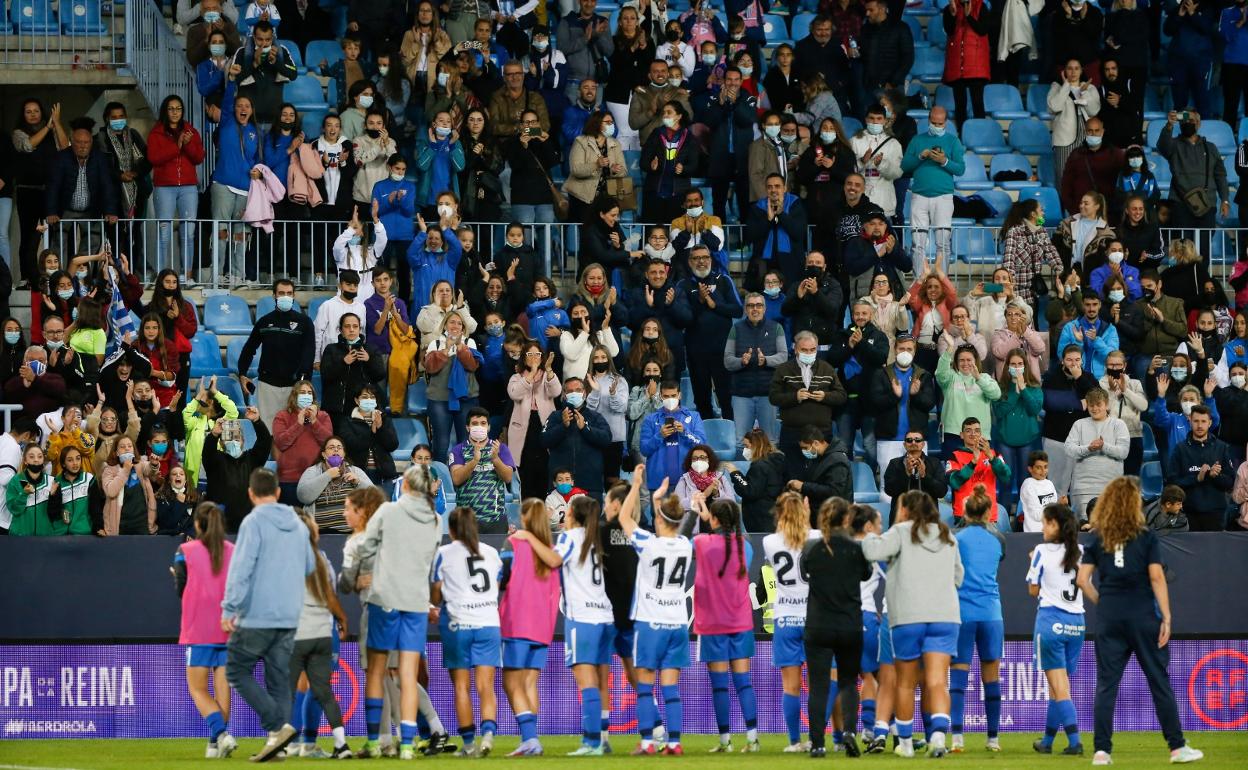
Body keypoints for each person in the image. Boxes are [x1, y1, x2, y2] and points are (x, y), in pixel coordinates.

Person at [1076, 477, 1205, 765]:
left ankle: (1101, 751)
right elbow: (1157, 577)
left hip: (1110, 618)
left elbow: (1082, 580)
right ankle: (1177, 747)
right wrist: (1167, 617)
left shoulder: (1098, 537)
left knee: (1106, 685)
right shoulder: (1146, 536)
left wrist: (1103, 602)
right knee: (1159, 681)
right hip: (1143, 615)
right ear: (1135, 503)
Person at [220, 468, 315, 762]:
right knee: (278, 681)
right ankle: (278, 744)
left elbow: (241, 569)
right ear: (277, 493)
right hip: (289, 614)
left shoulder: (253, 523)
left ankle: (278, 725)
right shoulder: (299, 526)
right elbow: (310, 566)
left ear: (251, 494)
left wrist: (229, 608)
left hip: (258, 615)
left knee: (236, 670)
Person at [862, 489, 963, 758]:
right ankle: (939, 738)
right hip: (944, 616)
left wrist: (870, 531)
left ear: (905, 510)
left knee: (905, 683)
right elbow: (958, 577)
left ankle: (905, 743)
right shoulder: (947, 535)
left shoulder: (901, 531)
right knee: (937, 681)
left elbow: (872, 550)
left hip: (908, 617)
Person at [352, 464, 443, 760]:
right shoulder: (435, 519)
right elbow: (429, 560)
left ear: (404, 485)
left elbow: (365, 548)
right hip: (416, 601)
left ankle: (375, 742)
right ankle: (406, 745)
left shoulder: (388, 512)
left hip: (385, 598)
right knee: (406, 673)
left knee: (377, 672)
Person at [615, 468, 691, 755]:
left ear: (659, 519)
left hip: (650, 622)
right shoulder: (684, 545)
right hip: (677, 623)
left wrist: (636, 486)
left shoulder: (648, 544)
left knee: (645, 684)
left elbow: (624, 519)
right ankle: (674, 742)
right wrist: (659, 502)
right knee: (671, 687)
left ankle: (647, 742)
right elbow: (672, 524)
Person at [431, 506, 503, 757]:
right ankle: (488, 736)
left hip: (457, 624)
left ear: (450, 530)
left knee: (461, 687)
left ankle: (469, 745)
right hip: (488, 623)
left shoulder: (443, 553)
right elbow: (497, 584)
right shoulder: (492, 553)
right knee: (486, 685)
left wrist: (435, 603)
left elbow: (436, 590)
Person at [495, 499, 563, 757]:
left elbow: (502, 578)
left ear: (525, 518)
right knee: (530, 682)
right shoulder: (551, 549)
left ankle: (530, 739)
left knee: (512, 683)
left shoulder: (513, 543)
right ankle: (530, 740)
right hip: (543, 625)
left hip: (516, 621)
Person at [174, 504, 238, 758]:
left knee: (198, 688)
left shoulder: (185, 551)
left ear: (198, 525)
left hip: (198, 630)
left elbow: (180, 589)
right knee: (223, 689)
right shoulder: (233, 551)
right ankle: (215, 743)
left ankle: (220, 734)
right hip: (227, 628)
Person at [948, 485, 1006, 752]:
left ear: (965, 511)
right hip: (991, 614)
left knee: (959, 675)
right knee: (991, 676)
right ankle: (993, 739)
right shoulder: (999, 540)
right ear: (988, 512)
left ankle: (957, 737)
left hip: (963, 613)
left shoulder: (955, 538)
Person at [1027, 503, 1086, 755]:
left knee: (1060, 688)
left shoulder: (1041, 550)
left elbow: (1032, 590)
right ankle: (1048, 741)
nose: (1042, 527)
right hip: (1077, 624)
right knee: (1058, 686)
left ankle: (1075, 742)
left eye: (1045, 522)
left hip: (1051, 621)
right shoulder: (1081, 551)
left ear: (1055, 525)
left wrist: (1034, 563)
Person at [769, 331, 846, 477]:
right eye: (804, 350)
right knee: (790, 475)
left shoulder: (827, 368)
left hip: (821, 433)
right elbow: (774, 397)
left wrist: (825, 396)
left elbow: (841, 396)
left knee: (821, 475)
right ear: (796, 349)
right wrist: (794, 396)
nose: (809, 353)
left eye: (812, 349)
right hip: (792, 433)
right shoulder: (783, 369)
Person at [900, 105, 964, 271]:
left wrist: (944, 161)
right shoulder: (917, 140)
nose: (937, 126)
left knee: (943, 243)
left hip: (943, 197)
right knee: (917, 243)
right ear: (928, 120)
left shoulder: (953, 141)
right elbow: (905, 165)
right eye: (934, 122)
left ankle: (942, 283)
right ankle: (919, 282)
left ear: (946, 122)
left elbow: (960, 169)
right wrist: (921, 156)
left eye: (940, 123)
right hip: (919, 196)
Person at [724, 293, 786, 443]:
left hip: (768, 394)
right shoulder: (736, 329)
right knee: (741, 441)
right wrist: (741, 362)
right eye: (751, 306)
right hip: (741, 395)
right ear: (745, 309)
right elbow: (727, 360)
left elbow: (784, 357)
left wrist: (766, 360)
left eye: (759, 305)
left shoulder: (776, 328)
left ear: (764, 308)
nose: (755, 309)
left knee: (769, 441)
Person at [1157, 109, 1231, 232]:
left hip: (1206, 205)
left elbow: (1220, 176)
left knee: (1204, 248)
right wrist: (1169, 125)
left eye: (1191, 120)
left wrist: (1225, 200)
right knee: (1183, 248)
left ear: (1198, 123)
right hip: (1180, 205)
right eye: (1184, 120)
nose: (1187, 123)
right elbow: (1162, 146)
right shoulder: (1174, 145)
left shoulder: (1211, 148)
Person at [1064, 388, 1131, 521]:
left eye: (1098, 404)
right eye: (1091, 405)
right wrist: (1088, 448)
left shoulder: (1119, 424)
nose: (1094, 408)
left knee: (1111, 529)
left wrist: (1103, 446)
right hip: (1083, 489)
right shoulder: (1079, 424)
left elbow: (1123, 452)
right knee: (1084, 528)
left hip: (1112, 488)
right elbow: (1069, 449)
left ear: (1106, 405)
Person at [541, 377, 612, 500]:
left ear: (584, 393)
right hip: (560, 487)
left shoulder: (595, 417)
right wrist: (563, 426)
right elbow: (543, 440)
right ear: (564, 394)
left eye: (578, 390)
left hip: (590, 486)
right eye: (570, 391)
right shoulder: (555, 417)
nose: (574, 393)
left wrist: (585, 428)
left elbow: (606, 439)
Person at [1167, 404, 1234, 531]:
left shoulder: (1221, 447)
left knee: (1214, 550)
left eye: (1203, 421)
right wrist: (1197, 478)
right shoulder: (1180, 449)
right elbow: (1172, 483)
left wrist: (1216, 476)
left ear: (1210, 423)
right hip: (1188, 513)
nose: (1199, 425)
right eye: (1196, 421)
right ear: (1190, 421)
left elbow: (1230, 482)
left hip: (1216, 513)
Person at [450, 408, 516, 535]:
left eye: (483, 423)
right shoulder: (458, 450)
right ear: (468, 427)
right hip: (466, 519)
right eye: (475, 424)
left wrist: (495, 459)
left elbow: (508, 478)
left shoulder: (500, 448)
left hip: (495, 518)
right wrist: (474, 461)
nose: (479, 427)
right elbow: (456, 479)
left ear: (489, 427)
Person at [745, 173, 807, 293]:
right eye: (770, 187)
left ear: (785, 188)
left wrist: (781, 214)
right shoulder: (757, 207)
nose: (773, 190)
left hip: (791, 264)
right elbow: (751, 235)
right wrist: (768, 220)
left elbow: (798, 232)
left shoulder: (795, 204)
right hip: (764, 264)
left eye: (777, 186)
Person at [1000, 199, 1063, 312]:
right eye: (1041, 210)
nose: (1043, 213)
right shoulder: (1015, 231)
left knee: (1033, 324)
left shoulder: (1042, 232)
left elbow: (1051, 253)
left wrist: (1060, 271)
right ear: (1033, 214)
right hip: (1017, 290)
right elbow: (1008, 261)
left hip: (1034, 290)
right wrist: (1010, 288)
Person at [1048, 59, 1100, 188]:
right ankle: (1065, 207)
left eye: (1076, 68)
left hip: (1086, 137)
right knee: (1064, 178)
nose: (1073, 72)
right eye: (1070, 68)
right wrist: (1066, 86)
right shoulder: (1056, 87)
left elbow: (1094, 110)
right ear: (1065, 71)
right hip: (1064, 139)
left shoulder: (1090, 87)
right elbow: (1054, 107)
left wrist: (1084, 92)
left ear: (1081, 71)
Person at [946, 417, 1010, 521]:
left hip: (988, 516)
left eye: (977, 431)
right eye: (968, 431)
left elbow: (1006, 477)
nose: (973, 434)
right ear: (962, 435)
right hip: (963, 516)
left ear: (981, 434)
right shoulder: (954, 456)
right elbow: (954, 482)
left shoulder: (993, 454)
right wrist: (973, 462)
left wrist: (992, 458)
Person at [781, 250, 844, 354]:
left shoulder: (833, 285)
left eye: (818, 263)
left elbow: (833, 311)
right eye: (810, 262)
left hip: (824, 347)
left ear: (824, 267)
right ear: (805, 266)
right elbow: (785, 311)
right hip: (799, 346)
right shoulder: (797, 285)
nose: (814, 265)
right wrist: (798, 297)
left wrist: (816, 293)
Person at [786, 427, 853, 521]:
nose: (803, 451)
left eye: (805, 448)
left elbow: (835, 492)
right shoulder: (818, 457)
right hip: (821, 514)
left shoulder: (837, 460)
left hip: (834, 518)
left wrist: (803, 486)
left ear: (816, 443)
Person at [882, 429, 948, 515]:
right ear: (904, 444)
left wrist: (924, 475)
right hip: (901, 517)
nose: (913, 442)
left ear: (923, 444)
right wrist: (906, 474)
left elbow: (941, 492)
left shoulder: (935, 463)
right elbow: (889, 490)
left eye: (917, 440)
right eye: (909, 440)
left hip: (928, 517)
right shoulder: (894, 463)